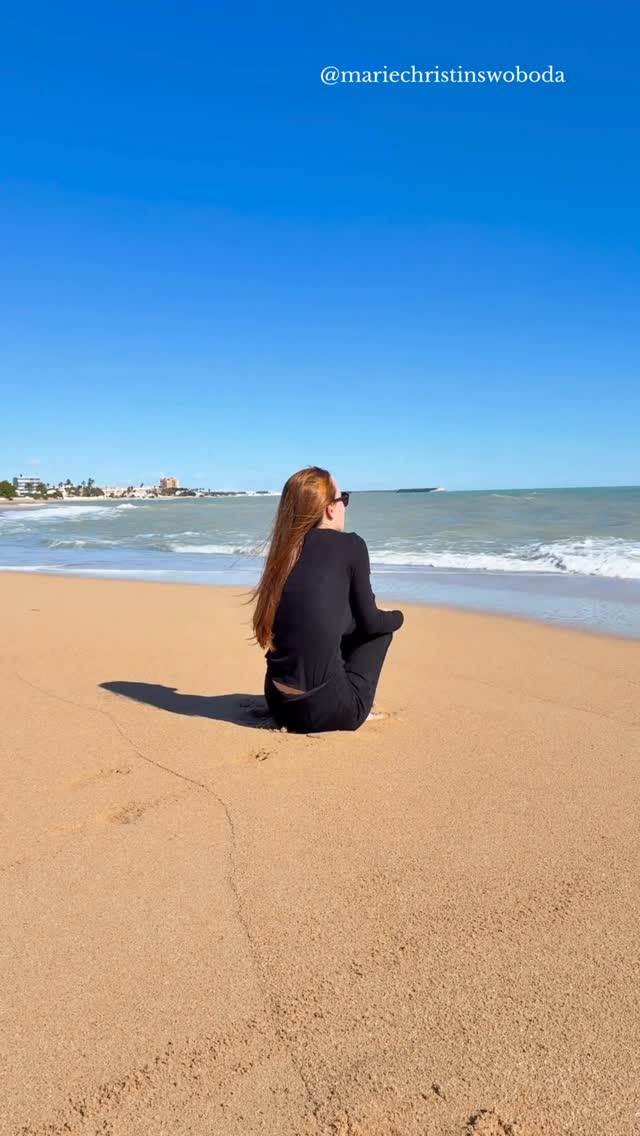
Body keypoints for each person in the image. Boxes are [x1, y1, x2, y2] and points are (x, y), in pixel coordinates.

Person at [251, 466, 404, 733]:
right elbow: (371, 622)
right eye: (343, 498)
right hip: (328, 711)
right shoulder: (351, 545)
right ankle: (353, 702)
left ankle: (331, 686)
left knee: (338, 620)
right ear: (330, 509)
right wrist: (398, 617)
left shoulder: (284, 551)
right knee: (381, 632)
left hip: (278, 703)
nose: (345, 505)